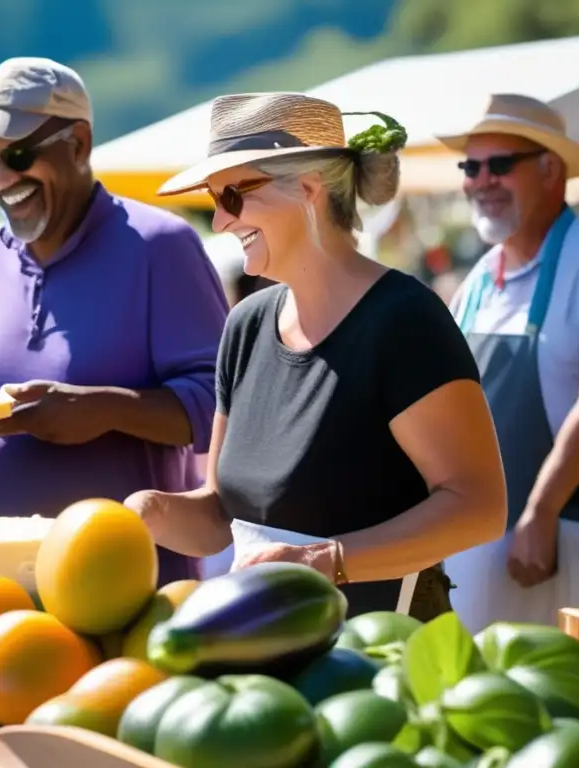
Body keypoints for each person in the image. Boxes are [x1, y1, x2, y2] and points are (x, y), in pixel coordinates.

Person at [124, 92, 507, 618]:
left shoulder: (404, 321)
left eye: (231, 197)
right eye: (212, 201)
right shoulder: (246, 325)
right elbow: (220, 515)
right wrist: (147, 513)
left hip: (382, 662)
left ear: (307, 190)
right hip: (272, 653)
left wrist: (327, 560)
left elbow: (479, 507)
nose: (218, 222)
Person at [0, 57, 229, 585]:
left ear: (78, 144)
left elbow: (224, 402)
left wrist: (106, 409)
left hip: (122, 588)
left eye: (21, 154)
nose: (1, 178)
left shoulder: (159, 246)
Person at [441, 94, 579, 630]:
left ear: (551, 171)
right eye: (470, 167)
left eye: (500, 165)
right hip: (472, 542)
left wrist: (540, 513)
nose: (481, 180)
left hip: (565, 536)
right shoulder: (477, 278)